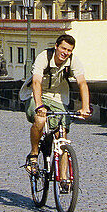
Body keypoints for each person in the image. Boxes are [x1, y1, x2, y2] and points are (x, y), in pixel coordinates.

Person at [20, 34, 90, 174]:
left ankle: (63, 177)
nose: (65, 52)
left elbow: (82, 83)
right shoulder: (44, 57)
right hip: (36, 94)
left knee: (62, 135)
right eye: (63, 48)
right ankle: (33, 155)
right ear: (56, 46)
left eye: (69, 50)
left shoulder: (72, 61)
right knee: (40, 120)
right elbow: (36, 82)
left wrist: (85, 107)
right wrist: (39, 105)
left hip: (57, 97)